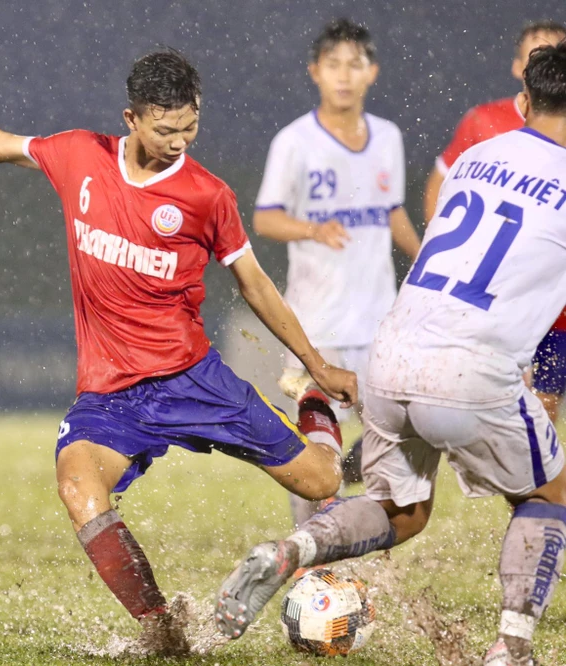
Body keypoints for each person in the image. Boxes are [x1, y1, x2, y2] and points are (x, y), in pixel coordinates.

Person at [0, 49, 357, 651]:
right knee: (78, 487)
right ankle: (162, 629)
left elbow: (254, 284)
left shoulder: (207, 195)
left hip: (193, 381)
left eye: (190, 128)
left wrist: (317, 365)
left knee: (320, 481)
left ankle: (314, 403)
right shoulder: (81, 156)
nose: (179, 142)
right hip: (111, 395)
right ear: (131, 118)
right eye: (165, 130)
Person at [216, 42, 566, 666]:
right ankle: (512, 648)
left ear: (523, 100)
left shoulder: (478, 156)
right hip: (471, 366)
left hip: (392, 349)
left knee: (401, 512)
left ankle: (292, 550)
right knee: (547, 496)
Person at [253, 19, 420, 525]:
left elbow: (392, 213)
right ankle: (311, 548)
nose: (344, 76)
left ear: (372, 72)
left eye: (354, 65)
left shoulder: (387, 137)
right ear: (315, 72)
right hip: (316, 324)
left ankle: (372, 530)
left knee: (398, 438)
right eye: (333, 65)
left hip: (378, 323)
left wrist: (427, 258)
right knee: (314, 448)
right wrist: (311, 227)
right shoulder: (295, 141)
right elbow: (265, 219)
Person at [423, 20, 566, 425]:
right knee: (487, 405)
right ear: (520, 67)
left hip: (555, 306)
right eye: (539, 54)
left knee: (542, 408)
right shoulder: (484, 123)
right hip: (491, 297)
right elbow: (437, 190)